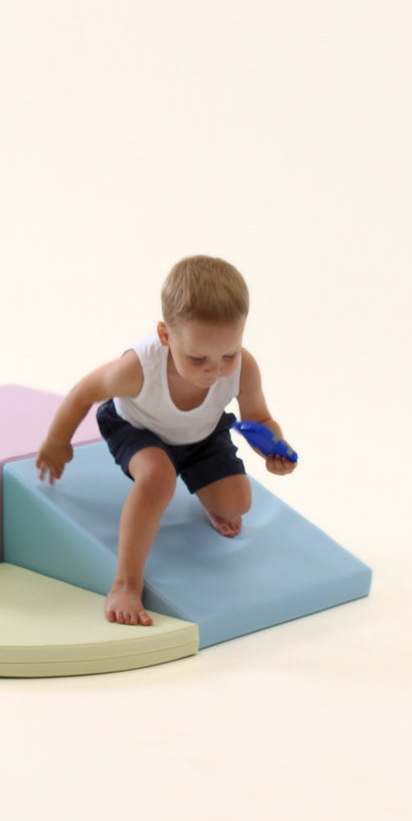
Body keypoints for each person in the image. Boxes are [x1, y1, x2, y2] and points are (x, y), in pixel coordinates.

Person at [35, 255, 296, 626]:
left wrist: (274, 448)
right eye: (198, 357)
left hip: (202, 434)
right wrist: (57, 441)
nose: (215, 369)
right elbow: (84, 392)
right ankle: (126, 582)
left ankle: (202, 488)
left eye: (229, 353)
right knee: (159, 478)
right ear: (165, 336)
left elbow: (259, 419)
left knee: (237, 503)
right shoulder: (138, 368)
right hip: (138, 428)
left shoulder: (244, 369)